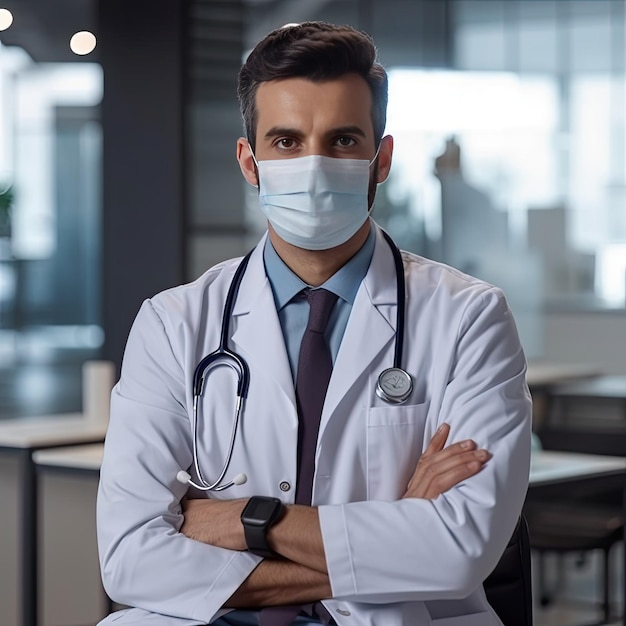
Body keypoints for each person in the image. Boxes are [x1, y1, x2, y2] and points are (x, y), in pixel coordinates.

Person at [96, 21, 531, 626]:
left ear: (381, 160)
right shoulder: (173, 324)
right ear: (250, 161)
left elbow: (457, 552)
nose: (315, 165)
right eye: (286, 142)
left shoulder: (468, 317)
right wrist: (395, 535)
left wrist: (248, 519)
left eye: (343, 140)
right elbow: (129, 561)